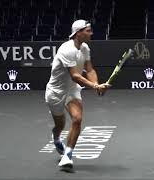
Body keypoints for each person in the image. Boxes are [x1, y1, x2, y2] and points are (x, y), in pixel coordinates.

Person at [45, 19, 110, 169]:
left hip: (72, 89)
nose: (91, 33)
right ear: (78, 33)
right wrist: (94, 86)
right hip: (56, 91)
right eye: (88, 31)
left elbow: (90, 70)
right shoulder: (67, 49)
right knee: (59, 125)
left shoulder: (85, 48)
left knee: (77, 119)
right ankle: (56, 138)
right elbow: (75, 75)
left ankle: (67, 155)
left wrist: (98, 84)